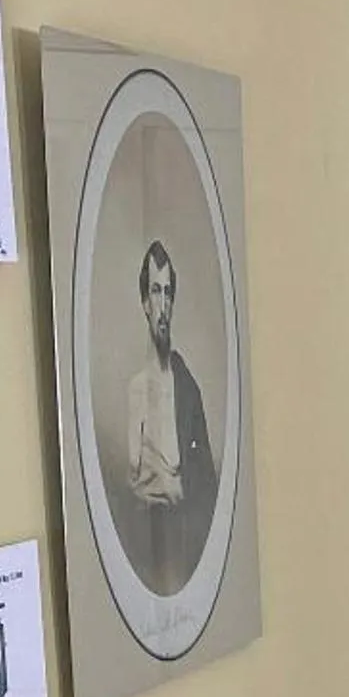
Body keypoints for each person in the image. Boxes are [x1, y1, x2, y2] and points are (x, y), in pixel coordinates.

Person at [120, 240, 219, 594]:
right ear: (145, 304)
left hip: (188, 541)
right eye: (155, 292)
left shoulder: (187, 386)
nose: (163, 304)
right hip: (151, 549)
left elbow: (205, 472)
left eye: (168, 293)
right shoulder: (134, 390)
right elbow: (130, 485)